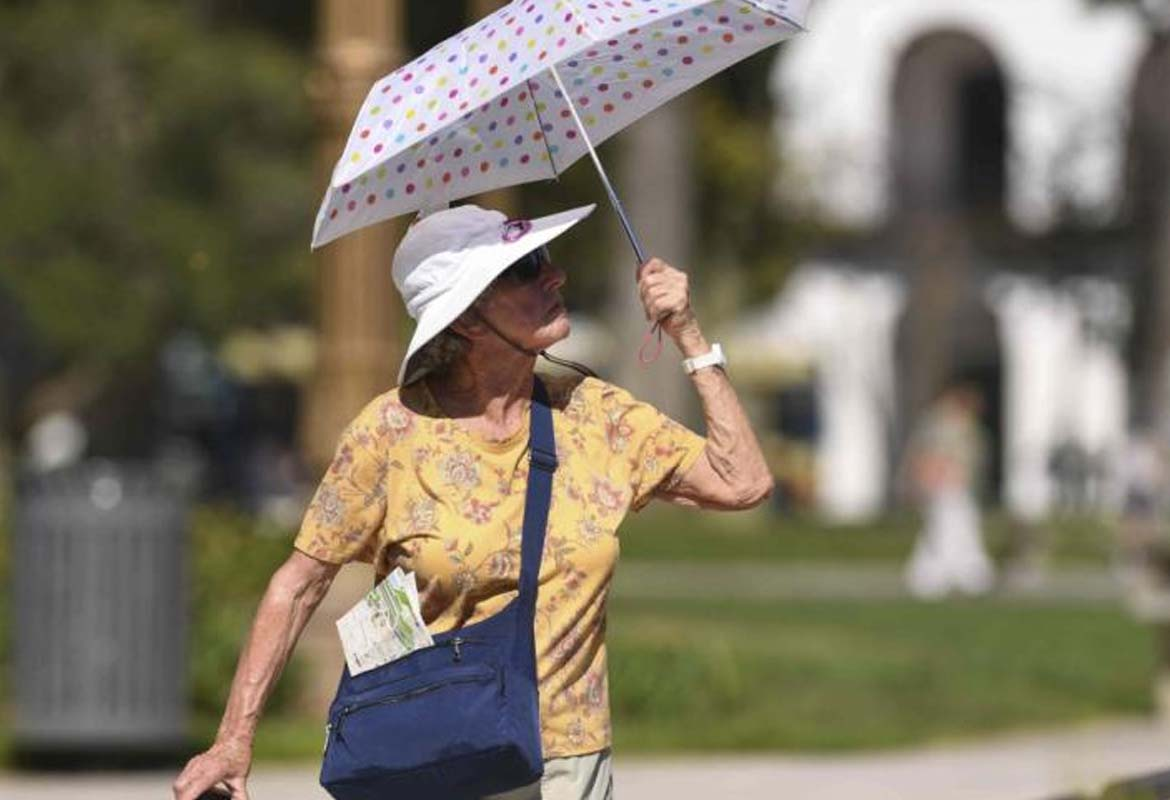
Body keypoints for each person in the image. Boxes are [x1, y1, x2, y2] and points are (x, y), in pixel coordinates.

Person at [172, 203, 773, 800]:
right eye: (525, 267)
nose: (554, 275)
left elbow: (743, 481)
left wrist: (689, 336)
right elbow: (298, 583)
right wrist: (234, 738)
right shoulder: (391, 432)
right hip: (434, 757)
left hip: (567, 764)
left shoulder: (597, 416)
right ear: (467, 318)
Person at [902, 383, 994, 599]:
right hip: (945, 487)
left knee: (958, 530)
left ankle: (965, 575)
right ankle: (935, 577)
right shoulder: (941, 425)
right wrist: (931, 479)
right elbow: (930, 457)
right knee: (944, 531)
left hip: (957, 487)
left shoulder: (964, 426)